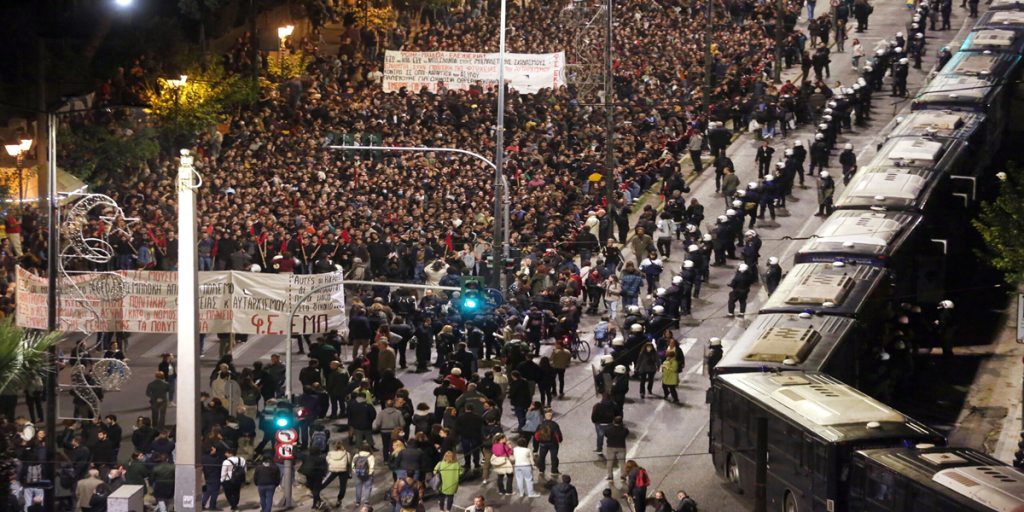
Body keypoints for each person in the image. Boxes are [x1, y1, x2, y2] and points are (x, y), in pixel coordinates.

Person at [323, 440, 352, 507]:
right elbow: (349, 462)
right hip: (343, 471)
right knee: (343, 486)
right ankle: (339, 500)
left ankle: (316, 492)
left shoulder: (330, 454)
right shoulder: (347, 454)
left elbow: (328, 461)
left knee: (325, 482)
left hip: (333, 470)